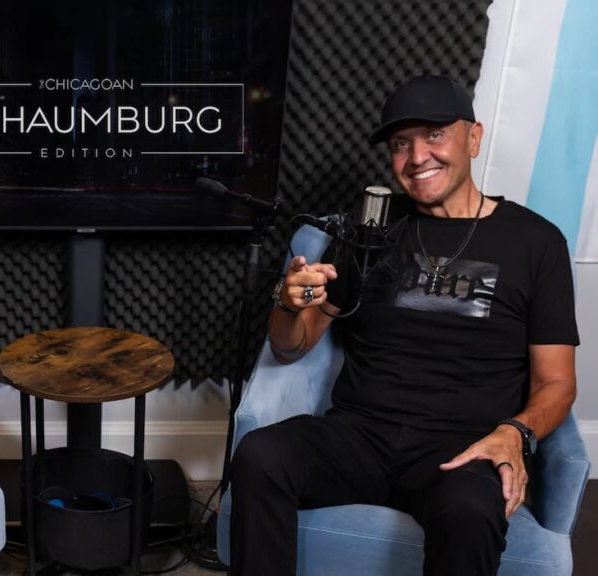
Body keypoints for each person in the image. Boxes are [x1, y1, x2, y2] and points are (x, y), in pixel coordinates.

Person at [229, 75, 578, 575]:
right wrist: (288, 305)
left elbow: (557, 383)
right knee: (260, 455)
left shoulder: (537, 242)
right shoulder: (370, 224)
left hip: (461, 447)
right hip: (359, 435)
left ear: (473, 138)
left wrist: (515, 432)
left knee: (472, 511)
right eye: (400, 143)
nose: (417, 157)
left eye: (434, 135)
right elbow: (292, 347)